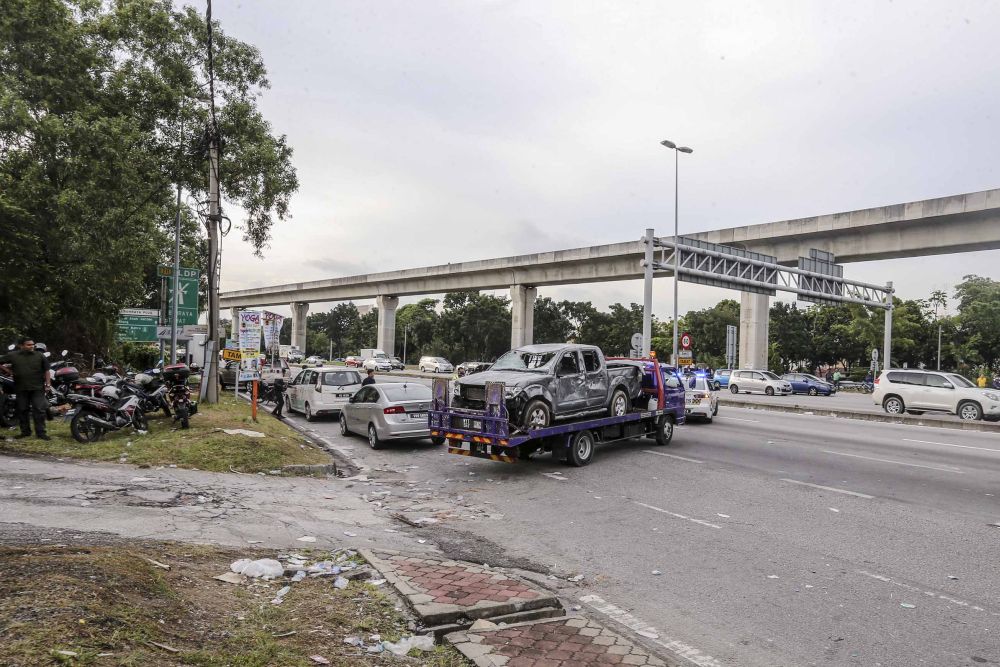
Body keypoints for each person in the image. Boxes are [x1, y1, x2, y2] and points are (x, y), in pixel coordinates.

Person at [0, 337, 51, 440]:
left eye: (33, 344)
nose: (32, 346)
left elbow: (47, 370)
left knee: (39, 410)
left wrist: (48, 384)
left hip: (37, 387)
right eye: (29, 345)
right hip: (21, 388)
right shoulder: (13, 355)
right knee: (22, 410)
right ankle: (25, 432)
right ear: (21, 346)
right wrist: (9, 371)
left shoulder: (39, 355)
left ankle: (41, 433)